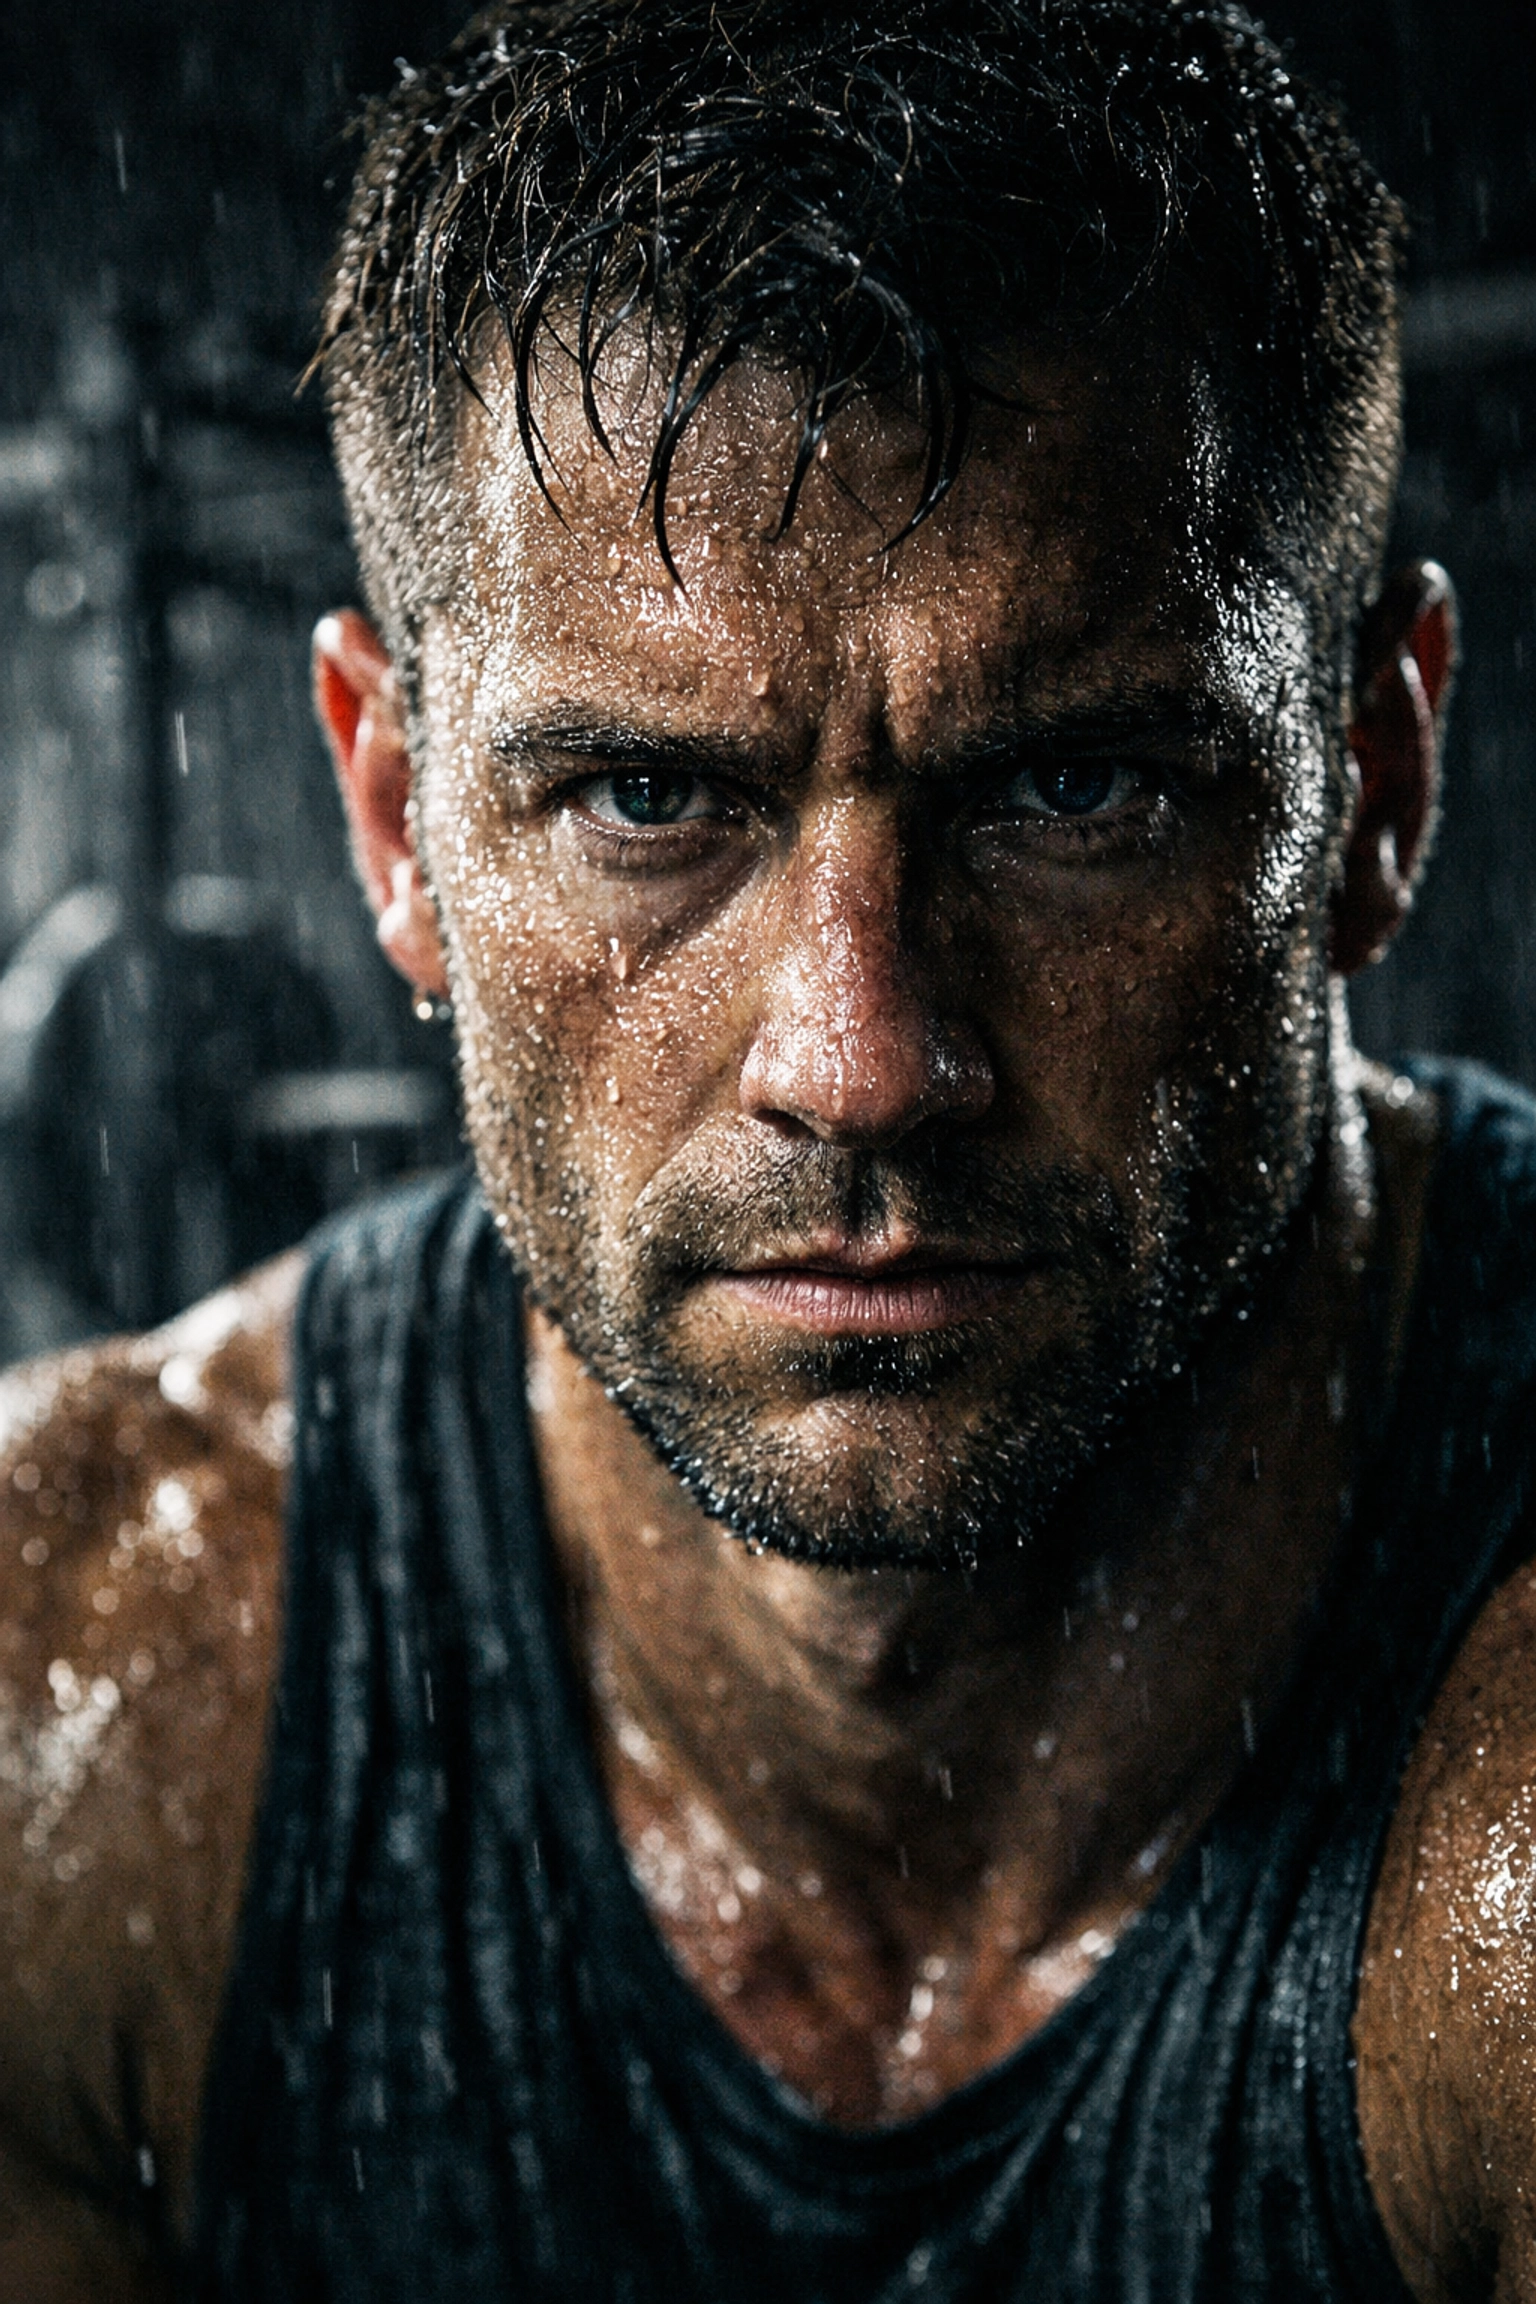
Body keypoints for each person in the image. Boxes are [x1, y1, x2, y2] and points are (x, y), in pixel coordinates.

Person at [0, 0, 1529, 2295]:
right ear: (396, 820)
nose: (861, 1060)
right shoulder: (77, 1695)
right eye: (649, 798)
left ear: (1377, 787)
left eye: (1072, 790)